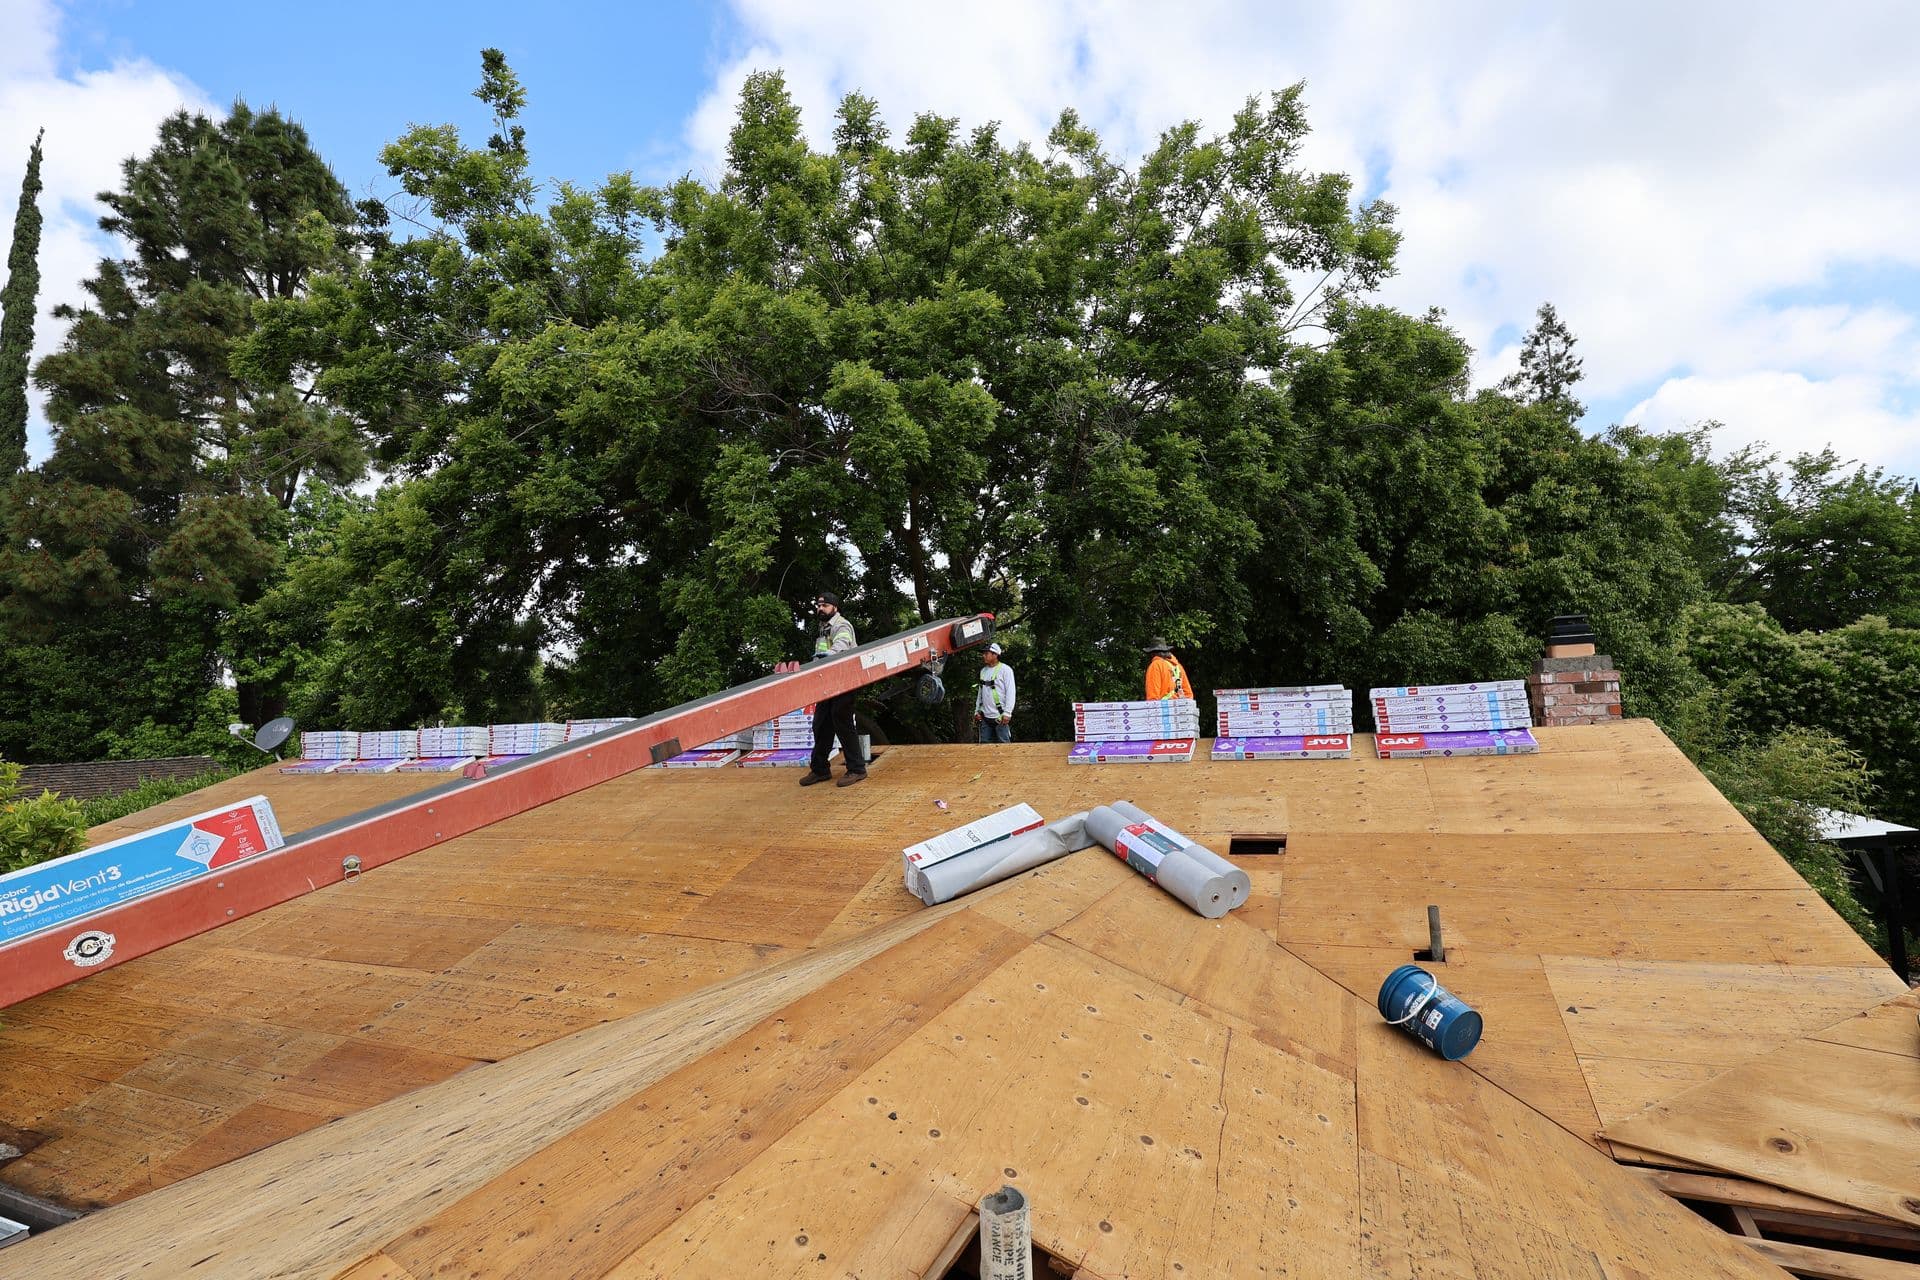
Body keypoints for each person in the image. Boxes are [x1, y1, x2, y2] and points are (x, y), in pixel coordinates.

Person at [801, 592, 867, 787]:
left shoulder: (841, 625)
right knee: (821, 724)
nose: (820, 608)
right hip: (828, 683)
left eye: (825, 605)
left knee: (842, 720)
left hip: (845, 680)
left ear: (835, 608)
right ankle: (820, 770)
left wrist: (830, 653)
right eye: (819, 605)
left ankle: (857, 769)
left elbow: (842, 644)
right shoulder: (823, 628)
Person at [974, 643, 1016, 742]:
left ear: (995, 654)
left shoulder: (1005, 670)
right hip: (985, 716)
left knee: (1004, 745)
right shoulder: (983, 671)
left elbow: (1011, 692)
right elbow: (981, 692)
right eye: (983, 653)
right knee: (985, 746)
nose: (983, 656)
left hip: (1000, 716)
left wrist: (1007, 713)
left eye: (986, 653)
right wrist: (977, 710)